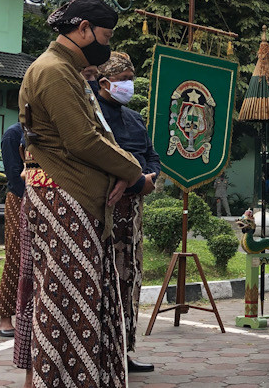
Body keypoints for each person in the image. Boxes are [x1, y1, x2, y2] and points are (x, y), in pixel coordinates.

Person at [17, 0, 143, 388]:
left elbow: (91, 136)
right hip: (63, 197)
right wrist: (132, 170)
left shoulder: (66, 69)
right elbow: (81, 139)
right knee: (67, 307)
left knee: (80, 302)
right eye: (105, 36)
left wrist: (119, 171)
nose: (105, 46)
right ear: (84, 29)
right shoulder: (54, 71)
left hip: (72, 196)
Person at [96, 53, 160, 372]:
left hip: (133, 212)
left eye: (131, 79)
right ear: (104, 81)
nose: (128, 85)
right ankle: (99, 352)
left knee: (129, 278)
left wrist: (149, 179)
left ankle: (123, 351)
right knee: (102, 279)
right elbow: (100, 157)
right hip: (103, 207)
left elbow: (152, 156)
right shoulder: (92, 115)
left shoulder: (134, 118)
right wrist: (136, 181)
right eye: (123, 79)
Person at [0, 123, 23, 338]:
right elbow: (14, 175)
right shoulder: (14, 134)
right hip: (20, 199)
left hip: (46, 199)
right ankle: (5, 319)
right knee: (16, 255)